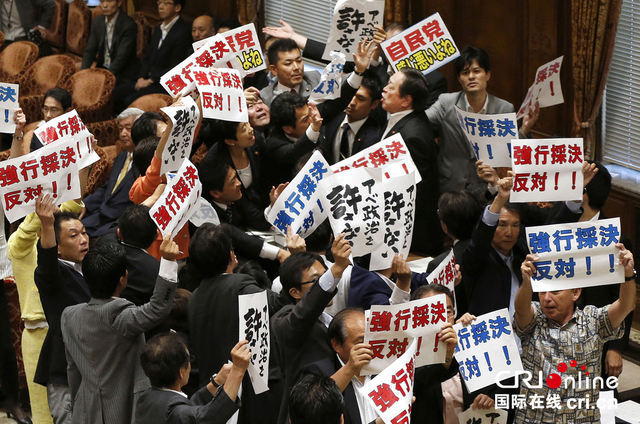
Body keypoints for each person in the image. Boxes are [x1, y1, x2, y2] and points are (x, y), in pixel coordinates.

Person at [61, 236, 179, 424]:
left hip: (86, 408)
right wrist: (168, 262)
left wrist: (77, 405)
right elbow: (157, 308)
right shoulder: (119, 316)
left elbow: (73, 370)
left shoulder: (68, 316)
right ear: (123, 279)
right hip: (125, 409)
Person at [514, 247, 636, 423]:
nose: (547, 298)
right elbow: (520, 310)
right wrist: (527, 281)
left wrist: (628, 273)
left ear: (575, 292)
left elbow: (626, 305)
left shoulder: (593, 320)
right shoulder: (535, 319)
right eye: (542, 292)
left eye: (555, 291)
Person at [186, 224, 288, 424]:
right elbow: (281, 304)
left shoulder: (194, 298)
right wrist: (293, 261)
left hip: (215, 394)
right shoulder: (240, 285)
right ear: (232, 256)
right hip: (252, 397)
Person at [8, 198, 85, 424]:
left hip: (70, 334)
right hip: (37, 333)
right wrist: (41, 218)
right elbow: (27, 243)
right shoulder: (19, 243)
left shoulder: (72, 251)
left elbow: (75, 207)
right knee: (44, 412)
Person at [425, 46, 539, 194]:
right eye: (465, 73)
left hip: (485, 186)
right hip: (449, 186)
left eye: (477, 71)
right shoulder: (446, 102)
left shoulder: (504, 108)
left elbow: (513, 152)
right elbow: (422, 122)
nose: (471, 76)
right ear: (459, 79)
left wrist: (525, 129)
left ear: (488, 75)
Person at [271, 236, 352, 424]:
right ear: (294, 292)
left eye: (326, 276)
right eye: (317, 281)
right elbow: (303, 313)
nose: (330, 285)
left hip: (335, 408)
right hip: (307, 415)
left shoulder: (329, 319)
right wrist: (337, 268)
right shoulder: (285, 322)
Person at [34, 195, 91, 424]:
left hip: (92, 365)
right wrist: (47, 225)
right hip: (65, 370)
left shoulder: (88, 268)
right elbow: (46, 262)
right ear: (57, 247)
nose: (83, 239)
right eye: (74, 235)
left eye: (84, 232)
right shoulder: (52, 274)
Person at [380, 67, 442, 255]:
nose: (384, 90)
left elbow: (412, 192)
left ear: (406, 100)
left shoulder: (413, 136)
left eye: (390, 88)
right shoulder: (405, 118)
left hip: (414, 236)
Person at [137, 333, 249, 424]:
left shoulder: (145, 399)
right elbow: (211, 418)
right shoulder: (175, 413)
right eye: (189, 359)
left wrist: (216, 382)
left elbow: (189, 408)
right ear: (181, 372)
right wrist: (238, 370)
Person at [198, 157, 289, 263]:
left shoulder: (235, 196)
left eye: (236, 177)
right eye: (232, 182)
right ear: (216, 193)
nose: (239, 183)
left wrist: (273, 205)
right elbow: (238, 237)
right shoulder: (207, 215)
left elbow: (256, 220)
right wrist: (279, 253)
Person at [80, 107, 144, 238]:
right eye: (121, 129)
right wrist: (86, 204)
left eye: (128, 128)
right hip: (100, 214)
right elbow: (106, 188)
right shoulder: (121, 157)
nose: (123, 134)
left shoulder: (144, 161)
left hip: (120, 221)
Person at [123, 0, 192, 105]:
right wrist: (141, 77)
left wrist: (151, 80)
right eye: (159, 2)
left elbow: (176, 66)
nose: (160, 7)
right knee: (117, 92)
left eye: (165, 3)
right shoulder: (159, 28)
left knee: (129, 100)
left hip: (163, 84)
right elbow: (147, 58)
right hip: (147, 78)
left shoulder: (183, 32)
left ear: (177, 7)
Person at [95, 204, 161, 306]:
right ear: (156, 236)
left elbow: (116, 227)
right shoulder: (157, 270)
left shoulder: (105, 243)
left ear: (119, 233)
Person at [321, 73, 383, 164]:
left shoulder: (376, 136)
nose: (352, 102)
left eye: (360, 99)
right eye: (351, 95)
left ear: (374, 104)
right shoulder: (332, 118)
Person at [204, 120, 268, 208]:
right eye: (244, 129)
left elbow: (266, 175)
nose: (251, 129)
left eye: (247, 123)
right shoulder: (214, 164)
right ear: (230, 141)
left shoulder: (255, 139)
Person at [81, 0, 138, 87]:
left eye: (109, 1)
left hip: (122, 74)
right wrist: (82, 73)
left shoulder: (129, 25)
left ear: (119, 3)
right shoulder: (98, 21)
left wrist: (104, 79)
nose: (104, 5)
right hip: (103, 68)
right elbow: (90, 51)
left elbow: (121, 58)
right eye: (102, 1)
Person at [259, 38, 321, 107]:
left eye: (299, 61)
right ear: (274, 69)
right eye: (288, 63)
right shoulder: (265, 98)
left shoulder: (316, 79)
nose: (296, 67)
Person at [26, 87, 73, 152]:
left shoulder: (77, 134)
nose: (48, 115)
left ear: (67, 112)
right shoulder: (39, 134)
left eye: (53, 110)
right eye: (45, 109)